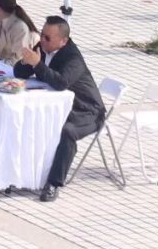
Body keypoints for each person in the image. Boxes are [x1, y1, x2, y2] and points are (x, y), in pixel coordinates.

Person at [13, 15, 106, 202]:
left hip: (86, 110)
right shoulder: (43, 46)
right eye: (42, 34)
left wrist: (37, 64)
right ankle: (25, 173)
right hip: (56, 106)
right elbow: (20, 72)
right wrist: (26, 62)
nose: (42, 40)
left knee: (67, 131)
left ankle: (53, 183)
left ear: (63, 41)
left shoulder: (73, 58)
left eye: (48, 38)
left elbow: (61, 82)